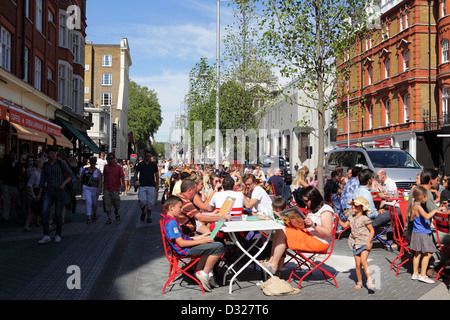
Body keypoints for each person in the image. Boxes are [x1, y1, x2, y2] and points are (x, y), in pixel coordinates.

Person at [261, 186, 334, 274]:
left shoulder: (325, 210)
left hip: (319, 242)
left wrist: (313, 225)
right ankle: (272, 261)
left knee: (283, 231)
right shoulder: (313, 210)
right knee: (281, 229)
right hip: (308, 236)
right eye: (304, 201)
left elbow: (327, 233)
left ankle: (273, 264)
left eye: (306, 201)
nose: (305, 203)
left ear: (314, 198)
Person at [162, 195, 225, 292]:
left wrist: (201, 236)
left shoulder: (170, 220)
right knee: (218, 246)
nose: (181, 209)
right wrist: (202, 241)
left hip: (186, 247)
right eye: (180, 207)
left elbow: (183, 238)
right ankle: (204, 273)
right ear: (171, 208)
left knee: (212, 245)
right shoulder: (172, 223)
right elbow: (181, 243)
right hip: (185, 250)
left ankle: (200, 270)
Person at [37, 147, 74, 244]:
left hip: (59, 191)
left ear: (56, 154)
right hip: (48, 191)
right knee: (44, 213)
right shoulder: (45, 166)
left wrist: (63, 184)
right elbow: (42, 180)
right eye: (50, 153)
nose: (52, 155)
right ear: (48, 154)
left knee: (58, 214)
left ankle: (58, 234)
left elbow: (71, 175)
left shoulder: (61, 164)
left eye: (54, 153)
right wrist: (40, 193)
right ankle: (46, 235)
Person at [338, 197, 375, 290]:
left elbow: (372, 231)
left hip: (364, 242)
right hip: (355, 243)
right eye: (353, 205)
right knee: (358, 264)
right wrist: (337, 219)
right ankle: (359, 281)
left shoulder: (365, 219)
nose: (353, 207)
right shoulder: (351, 217)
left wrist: (369, 242)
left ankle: (370, 280)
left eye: (356, 205)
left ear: (362, 208)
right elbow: (344, 226)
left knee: (363, 260)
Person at [408, 185, 441, 284]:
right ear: (422, 197)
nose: (426, 199)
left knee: (418, 253)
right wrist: (435, 210)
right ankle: (423, 275)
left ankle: (415, 273)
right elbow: (426, 216)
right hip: (422, 233)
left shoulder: (414, 205)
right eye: (426, 197)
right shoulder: (418, 207)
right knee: (428, 253)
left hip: (416, 232)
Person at [134, 151, 159, 223]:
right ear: (145, 156)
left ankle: (148, 216)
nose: (149, 157)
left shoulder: (153, 165)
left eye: (150, 156)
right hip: (142, 185)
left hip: (151, 185)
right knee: (142, 201)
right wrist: (135, 182)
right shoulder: (140, 164)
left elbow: (157, 175)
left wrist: (157, 184)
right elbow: (136, 173)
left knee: (150, 203)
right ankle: (143, 212)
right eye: (147, 156)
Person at [0, 150, 24, 223]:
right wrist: (1, 184)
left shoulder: (19, 164)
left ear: (16, 155)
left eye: (13, 155)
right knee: (6, 201)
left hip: (15, 185)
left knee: (17, 202)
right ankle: (5, 216)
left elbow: (21, 174)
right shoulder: (6, 164)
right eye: (11, 155)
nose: (12, 156)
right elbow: (2, 174)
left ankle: (20, 214)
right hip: (7, 184)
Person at [79, 157, 102, 224]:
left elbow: (100, 181)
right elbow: (81, 178)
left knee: (94, 203)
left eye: (93, 163)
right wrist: (79, 185)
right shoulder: (85, 169)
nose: (92, 165)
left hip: (94, 188)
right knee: (88, 202)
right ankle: (89, 217)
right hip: (87, 188)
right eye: (91, 163)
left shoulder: (98, 171)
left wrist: (99, 189)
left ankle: (94, 212)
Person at [103, 153, 125, 225]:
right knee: (107, 203)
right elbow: (104, 176)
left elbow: (122, 176)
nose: (110, 160)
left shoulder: (118, 167)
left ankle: (116, 211)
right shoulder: (106, 167)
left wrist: (123, 185)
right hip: (107, 188)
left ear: (114, 159)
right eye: (109, 159)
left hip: (115, 188)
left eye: (111, 158)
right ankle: (109, 218)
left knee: (116, 203)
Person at [24, 158, 43, 232]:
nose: (42, 164)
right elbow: (30, 184)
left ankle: (26, 225)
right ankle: (26, 225)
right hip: (36, 191)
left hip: (40, 191)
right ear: (38, 164)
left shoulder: (41, 172)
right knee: (33, 210)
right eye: (41, 163)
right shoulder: (35, 173)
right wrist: (33, 195)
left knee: (37, 209)